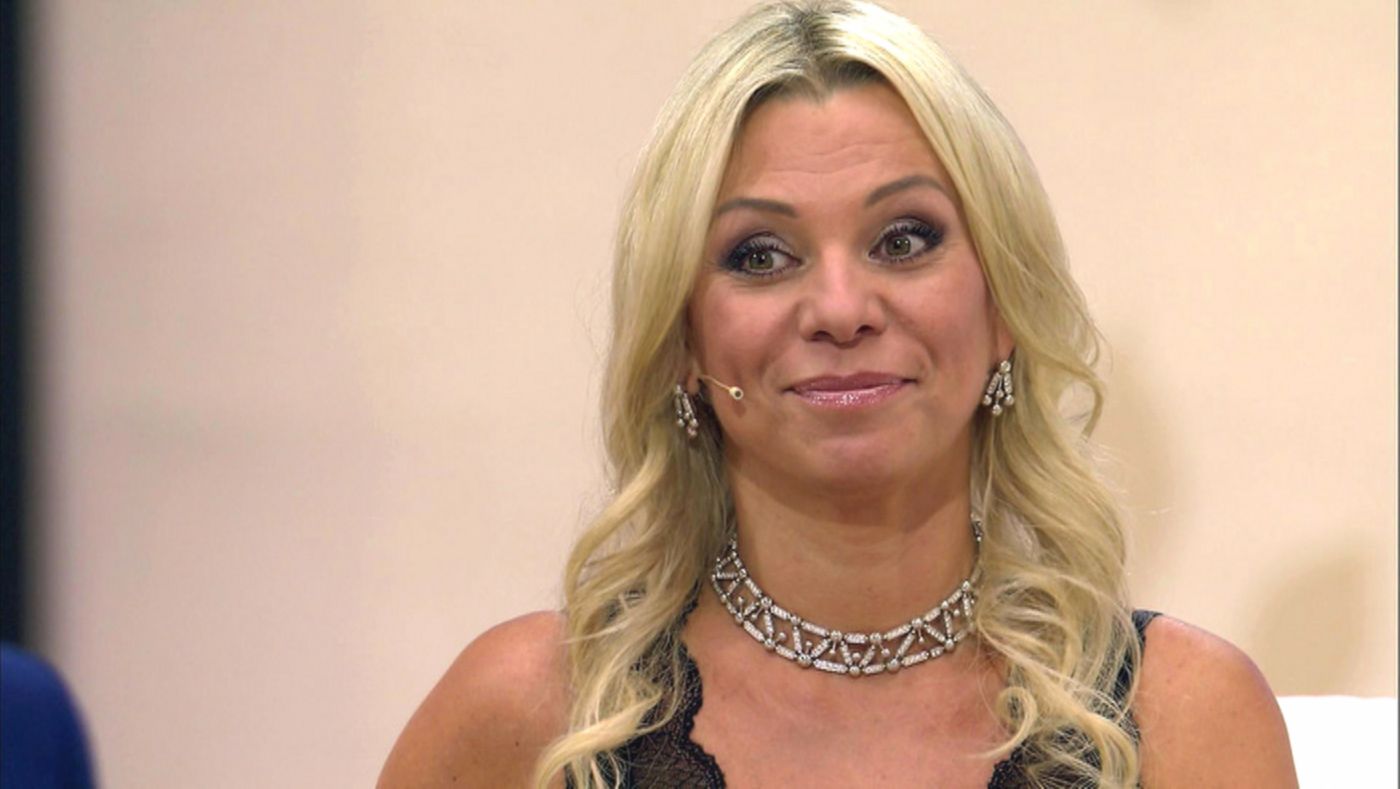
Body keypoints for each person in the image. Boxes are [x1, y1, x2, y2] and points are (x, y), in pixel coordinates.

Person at [379, 2, 1297, 786]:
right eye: (760, 255)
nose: (842, 309)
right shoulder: (530, 714)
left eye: (903, 239)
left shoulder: (1185, 718)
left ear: (1004, 305)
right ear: (683, 341)